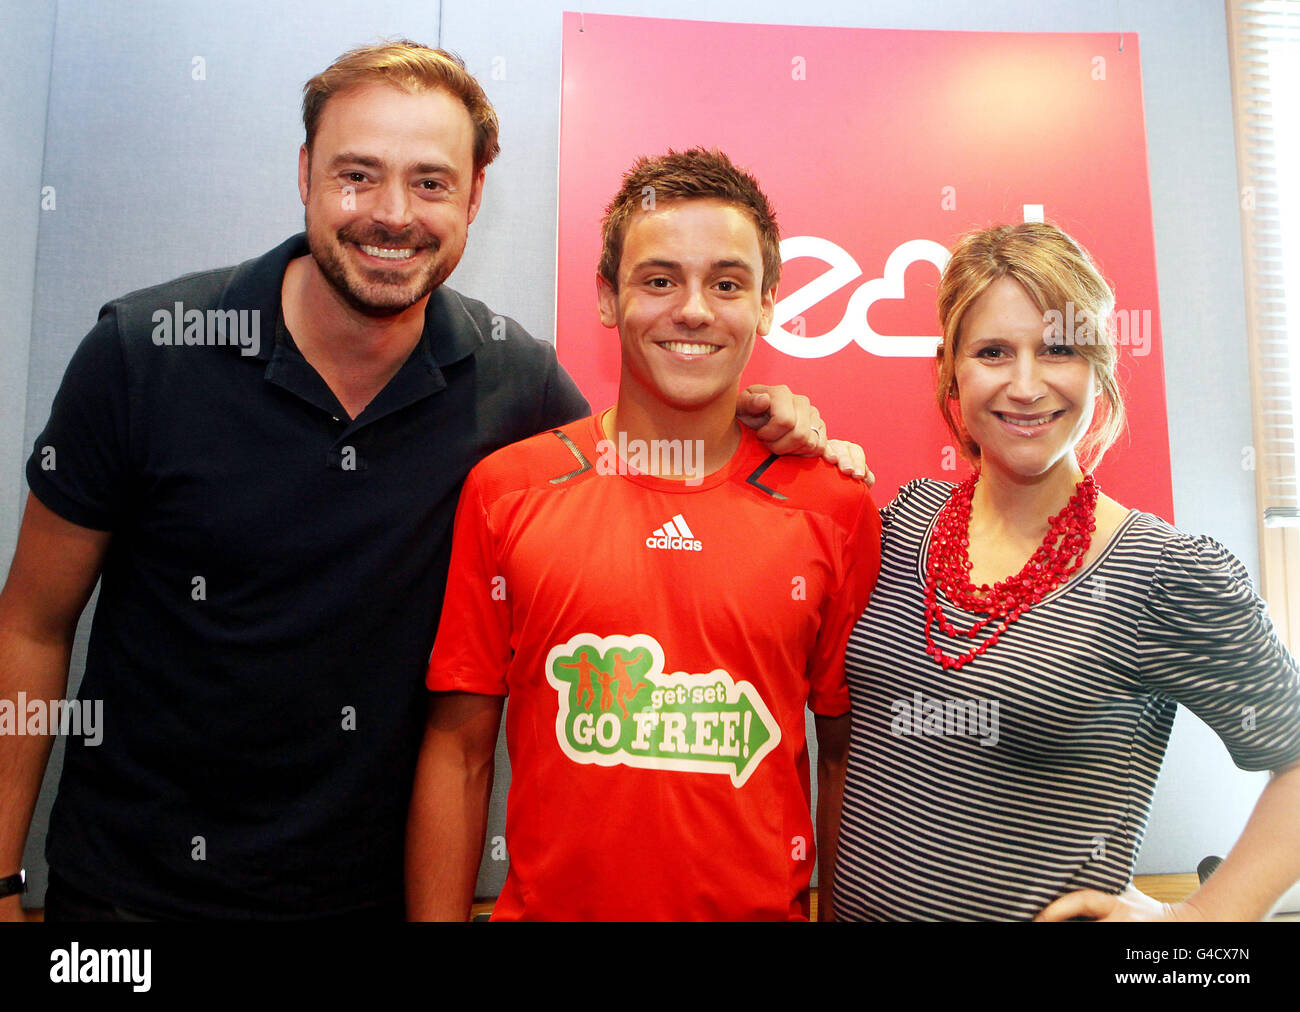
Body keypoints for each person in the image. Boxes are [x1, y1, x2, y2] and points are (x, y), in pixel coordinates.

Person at [0, 42, 851, 922]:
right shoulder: (144, 352)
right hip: (129, 903)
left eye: (433, 182)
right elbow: (29, 624)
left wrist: (771, 413)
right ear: (305, 174)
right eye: (358, 175)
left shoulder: (513, 384)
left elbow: (644, 442)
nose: (393, 214)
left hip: (370, 901)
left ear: (476, 195)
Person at [405, 149, 882, 921]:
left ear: (766, 306)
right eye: (659, 280)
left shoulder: (835, 507)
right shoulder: (507, 492)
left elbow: (848, 759)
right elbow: (459, 751)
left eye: (727, 284)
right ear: (606, 295)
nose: (692, 309)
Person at [832, 221, 1300, 921]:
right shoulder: (902, 523)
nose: (1026, 385)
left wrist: (1197, 924)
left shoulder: (1165, 575)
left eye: (1058, 349)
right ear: (949, 370)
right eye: (993, 351)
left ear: (1098, 365)